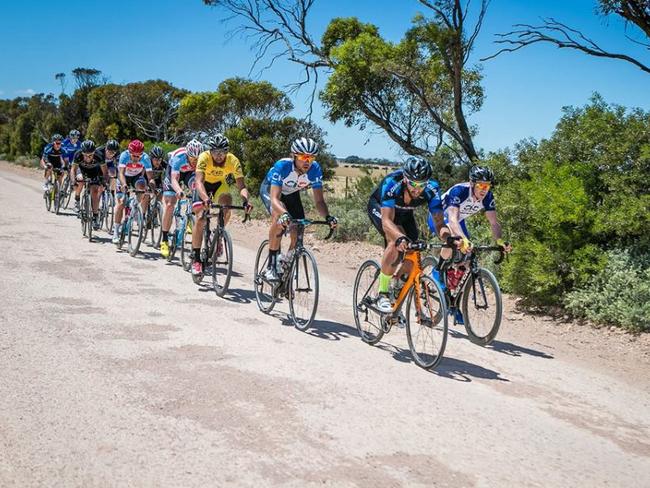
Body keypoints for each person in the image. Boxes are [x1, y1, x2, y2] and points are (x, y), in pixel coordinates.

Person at [367, 156, 453, 313]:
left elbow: (439, 223)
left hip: (405, 214)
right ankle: (383, 293)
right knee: (395, 243)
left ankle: (398, 286)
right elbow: (387, 221)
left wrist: (449, 239)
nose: (417, 189)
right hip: (381, 209)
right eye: (413, 183)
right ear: (405, 179)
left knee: (413, 251)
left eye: (422, 185)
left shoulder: (432, 188)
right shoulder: (392, 182)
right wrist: (399, 237)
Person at [426, 165, 512, 323]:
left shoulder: (488, 196)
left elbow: (494, 223)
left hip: (458, 220)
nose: (484, 189)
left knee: (467, 258)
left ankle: (454, 302)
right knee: (454, 242)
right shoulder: (460, 191)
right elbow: (451, 220)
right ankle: (438, 270)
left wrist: (499, 241)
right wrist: (463, 240)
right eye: (481, 185)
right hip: (440, 218)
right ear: (472, 183)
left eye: (487, 185)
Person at [259, 137, 337, 282]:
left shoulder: (315, 170)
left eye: (311, 157)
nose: (307, 161)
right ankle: (271, 266)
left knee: (298, 230)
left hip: (291, 193)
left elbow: (319, 201)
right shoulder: (282, 166)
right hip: (271, 190)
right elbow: (275, 198)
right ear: (294, 156)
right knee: (279, 218)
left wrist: (327, 217)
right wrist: (283, 214)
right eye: (303, 157)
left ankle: (286, 263)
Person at [190, 134, 253, 275]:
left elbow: (241, 186)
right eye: (215, 152)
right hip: (203, 185)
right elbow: (199, 182)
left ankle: (218, 234)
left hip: (220, 185)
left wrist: (245, 201)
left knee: (227, 204)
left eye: (222, 152)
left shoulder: (233, 161)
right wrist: (205, 198)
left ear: (227, 151)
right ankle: (195, 258)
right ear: (210, 151)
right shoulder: (204, 157)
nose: (218, 156)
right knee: (200, 217)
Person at [159, 139, 203, 259]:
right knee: (169, 204)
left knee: (196, 187)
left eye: (197, 159)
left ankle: (190, 217)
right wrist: (178, 191)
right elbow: (174, 180)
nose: (195, 162)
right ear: (187, 155)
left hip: (189, 174)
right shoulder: (179, 158)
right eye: (193, 159)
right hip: (174, 172)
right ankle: (164, 240)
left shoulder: (201, 160)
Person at [112, 139, 155, 244]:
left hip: (136, 177)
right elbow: (121, 173)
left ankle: (135, 207)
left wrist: (152, 188)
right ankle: (116, 232)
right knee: (121, 202)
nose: (136, 158)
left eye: (138, 156)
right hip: (124, 177)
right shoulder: (124, 156)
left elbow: (150, 177)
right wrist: (124, 185)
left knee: (143, 187)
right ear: (129, 153)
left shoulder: (145, 158)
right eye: (134, 156)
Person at [70, 140, 108, 229]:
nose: (88, 157)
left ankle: (95, 216)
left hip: (94, 172)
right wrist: (73, 182)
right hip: (81, 170)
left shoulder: (99, 155)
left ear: (94, 152)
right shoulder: (78, 154)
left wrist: (104, 182)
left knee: (95, 191)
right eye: (85, 155)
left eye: (90, 155)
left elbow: (105, 171)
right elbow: (73, 170)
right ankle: (77, 199)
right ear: (82, 152)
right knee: (80, 180)